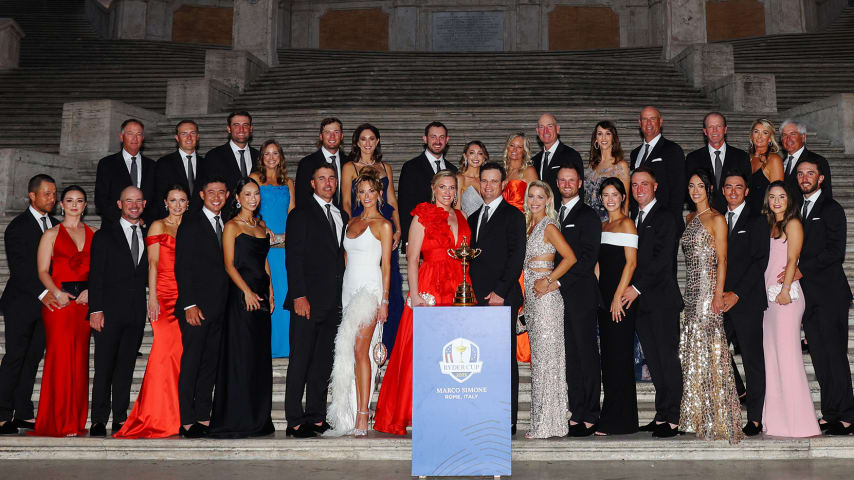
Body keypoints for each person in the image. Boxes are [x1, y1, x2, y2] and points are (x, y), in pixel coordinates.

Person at [374, 170, 470, 435]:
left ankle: (446, 408)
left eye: (452, 188)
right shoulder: (421, 215)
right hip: (429, 287)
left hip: (457, 288)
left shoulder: (461, 216)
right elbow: (413, 258)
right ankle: (416, 411)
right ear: (433, 188)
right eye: (443, 187)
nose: (448, 192)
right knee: (421, 351)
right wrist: (415, 295)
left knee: (451, 352)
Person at [114, 185, 188, 438]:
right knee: (162, 355)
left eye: (182, 200)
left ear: (188, 203)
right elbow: (153, 263)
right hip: (165, 298)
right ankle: (155, 415)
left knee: (179, 356)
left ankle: (177, 413)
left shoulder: (190, 226)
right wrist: (153, 297)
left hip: (187, 298)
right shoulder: (158, 226)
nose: (177, 205)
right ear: (165, 202)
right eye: (173, 200)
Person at [534, 164, 602, 436]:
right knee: (570, 356)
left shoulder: (588, 216)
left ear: (580, 183)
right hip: (556, 298)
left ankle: (591, 413)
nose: (566, 184)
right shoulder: (553, 215)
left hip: (580, 294)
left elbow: (587, 258)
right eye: (561, 180)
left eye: (571, 180)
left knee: (586, 354)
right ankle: (575, 409)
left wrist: (556, 282)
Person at [325, 173, 393, 437]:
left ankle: (363, 413)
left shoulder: (383, 225)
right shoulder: (349, 222)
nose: (366, 196)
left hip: (370, 293)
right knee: (349, 352)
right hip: (348, 291)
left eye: (371, 191)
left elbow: (386, 266)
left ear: (378, 194)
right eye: (362, 192)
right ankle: (348, 411)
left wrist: (384, 300)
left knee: (360, 350)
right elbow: (346, 259)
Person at [678, 169, 743, 443]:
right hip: (691, 292)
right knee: (695, 353)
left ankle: (718, 417)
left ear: (709, 189)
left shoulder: (717, 219)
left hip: (708, 291)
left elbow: (723, 260)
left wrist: (718, 294)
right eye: (691, 186)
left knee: (712, 352)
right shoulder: (689, 217)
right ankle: (698, 414)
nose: (695, 191)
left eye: (700, 186)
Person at [284, 164, 348, 438]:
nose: (328, 182)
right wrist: (299, 294)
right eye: (321, 178)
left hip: (333, 301)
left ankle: (316, 416)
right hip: (306, 300)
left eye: (332, 178)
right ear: (312, 183)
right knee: (300, 361)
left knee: (323, 362)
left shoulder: (341, 215)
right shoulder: (300, 214)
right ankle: (294, 420)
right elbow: (293, 257)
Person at [620, 166, 683, 438]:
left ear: (655, 186)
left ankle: (674, 417)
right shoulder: (634, 216)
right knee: (654, 362)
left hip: (662, 301)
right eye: (634, 185)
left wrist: (635, 288)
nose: (639, 189)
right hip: (643, 304)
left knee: (667, 359)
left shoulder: (666, 216)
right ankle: (661, 413)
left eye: (644, 184)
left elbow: (660, 261)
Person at [209, 178, 275, 438]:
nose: (252, 198)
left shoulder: (261, 225)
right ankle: (238, 418)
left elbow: (264, 260)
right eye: (247, 194)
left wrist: (270, 291)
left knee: (259, 358)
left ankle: (258, 418)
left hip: (260, 295)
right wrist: (246, 292)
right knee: (241, 357)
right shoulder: (231, 226)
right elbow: (229, 265)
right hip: (241, 298)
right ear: (237, 197)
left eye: (256, 193)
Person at [793, 160, 853, 435]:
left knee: (835, 356)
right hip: (809, 299)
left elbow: (835, 252)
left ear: (821, 179)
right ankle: (830, 413)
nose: (805, 178)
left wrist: (800, 269)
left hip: (831, 295)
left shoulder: (831, 209)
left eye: (811, 174)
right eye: (801, 173)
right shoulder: (798, 210)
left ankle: (847, 416)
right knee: (819, 357)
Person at [29, 186, 93, 437]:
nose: (74, 204)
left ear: (85, 205)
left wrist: (93, 293)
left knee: (80, 361)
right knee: (60, 359)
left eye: (79, 201)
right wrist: (56, 293)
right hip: (59, 305)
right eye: (69, 200)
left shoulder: (95, 234)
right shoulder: (51, 234)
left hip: (84, 306)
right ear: (61, 205)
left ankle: (75, 420)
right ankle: (58, 421)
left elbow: (102, 272)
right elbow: (43, 271)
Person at [467, 162, 526, 435]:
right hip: (478, 300)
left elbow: (516, 257)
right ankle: (485, 413)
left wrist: (500, 292)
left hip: (502, 298)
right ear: (479, 184)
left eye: (494, 181)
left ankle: (508, 420)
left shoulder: (513, 215)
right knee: (482, 359)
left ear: (503, 184)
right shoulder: (473, 217)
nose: (489, 186)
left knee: (504, 359)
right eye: (485, 181)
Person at [761, 181, 820, 437]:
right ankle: (776, 423)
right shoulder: (769, 224)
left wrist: (785, 290)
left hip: (787, 297)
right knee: (772, 361)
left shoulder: (793, 223)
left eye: (781, 196)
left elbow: (792, 259)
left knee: (788, 360)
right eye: (772, 196)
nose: (776, 201)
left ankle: (800, 424)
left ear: (789, 199)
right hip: (768, 299)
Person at [88, 186, 148, 436]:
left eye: (138, 201)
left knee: (125, 367)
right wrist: (96, 309)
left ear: (144, 204)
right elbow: (96, 275)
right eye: (128, 201)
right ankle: (99, 419)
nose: (133, 205)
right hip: (108, 312)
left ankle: (120, 418)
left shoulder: (148, 233)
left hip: (135, 313)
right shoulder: (104, 235)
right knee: (104, 367)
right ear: (119, 204)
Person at [339, 124, 404, 355]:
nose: (367, 143)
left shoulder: (385, 167)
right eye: (363, 139)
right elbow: (346, 201)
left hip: (384, 227)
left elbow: (393, 200)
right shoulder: (349, 167)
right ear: (357, 142)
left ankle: (388, 345)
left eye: (372, 139)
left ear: (377, 141)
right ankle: (363, 343)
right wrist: (350, 226)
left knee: (391, 282)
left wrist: (397, 229)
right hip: (360, 228)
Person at [174, 177, 232, 438]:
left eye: (221, 192)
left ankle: (203, 415)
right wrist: (189, 303)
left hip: (221, 306)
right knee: (192, 363)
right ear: (201, 194)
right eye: (211, 192)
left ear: (228, 194)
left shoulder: (228, 223)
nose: (216, 196)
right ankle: (186, 419)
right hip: (195, 307)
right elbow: (183, 265)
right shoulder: (191, 222)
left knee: (210, 364)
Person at [0, 174, 58, 435]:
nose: (52, 198)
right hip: (22, 303)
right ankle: (2, 414)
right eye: (47, 193)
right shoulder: (17, 227)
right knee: (15, 358)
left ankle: (23, 411)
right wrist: (42, 292)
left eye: (54, 194)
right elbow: (21, 268)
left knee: (33, 358)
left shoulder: (56, 225)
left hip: (46, 306)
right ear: (32, 196)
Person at [522, 180, 577, 438]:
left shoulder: (549, 225)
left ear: (547, 200)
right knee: (541, 362)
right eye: (531, 196)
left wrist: (551, 281)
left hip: (547, 302)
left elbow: (570, 257)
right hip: (534, 300)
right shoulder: (528, 226)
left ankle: (547, 424)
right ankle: (546, 422)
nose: (534, 201)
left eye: (540, 197)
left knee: (548, 362)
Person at [719, 171, 770, 437]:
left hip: (747, 300)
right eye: (729, 187)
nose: (734, 191)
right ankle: (739, 389)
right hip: (720, 298)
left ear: (747, 191)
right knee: (715, 349)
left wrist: (736, 294)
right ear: (723, 190)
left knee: (752, 359)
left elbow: (759, 261)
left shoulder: (757, 220)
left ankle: (756, 418)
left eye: (739, 187)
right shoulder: (718, 219)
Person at [594, 178, 639, 435]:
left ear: (622, 197)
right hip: (605, 299)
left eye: (615, 194)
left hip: (620, 301)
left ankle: (619, 421)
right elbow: (599, 264)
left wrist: (616, 296)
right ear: (601, 198)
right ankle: (619, 418)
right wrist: (598, 295)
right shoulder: (602, 225)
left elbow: (631, 264)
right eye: (606, 194)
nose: (610, 198)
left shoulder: (627, 224)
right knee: (609, 359)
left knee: (620, 358)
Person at [250, 139, 295, 358]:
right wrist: (262, 226)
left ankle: (284, 346)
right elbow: (248, 209)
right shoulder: (254, 179)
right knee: (268, 292)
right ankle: (264, 346)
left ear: (281, 157)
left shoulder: (288, 182)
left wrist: (291, 236)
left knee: (284, 291)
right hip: (262, 244)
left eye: (275, 153)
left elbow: (292, 213)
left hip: (285, 246)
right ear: (261, 157)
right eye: (267, 154)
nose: (271, 157)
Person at [397, 121, 458, 253]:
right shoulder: (411, 167)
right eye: (433, 137)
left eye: (441, 137)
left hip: (447, 241)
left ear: (447, 140)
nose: (437, 141)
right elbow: (404, 205)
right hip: (421, 238)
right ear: (425, 139)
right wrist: (408, 240)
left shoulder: (453, 169)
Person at [628, 106, 686, 230]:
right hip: (639, 223)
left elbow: (678, 190)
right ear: (640, 123)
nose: (648, 123)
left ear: (660, 122)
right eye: (645, 119)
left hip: (663, 223)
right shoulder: (635, 153)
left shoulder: (672, 150)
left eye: (653, 119)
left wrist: (671, 224)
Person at [94, 118, 156, 226]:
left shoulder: (152, 166)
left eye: (138, 134)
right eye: (130, 133)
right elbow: (101, 199)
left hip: (145, 228)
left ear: (143, 138)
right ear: (121, 137)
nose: (134, 138)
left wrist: (145, 221)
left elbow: (156, 200)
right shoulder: (107, 164)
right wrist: (123, 220)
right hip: (114, 227)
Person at [685, 112, 751, 214]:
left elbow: (747, 189)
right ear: (705, 131)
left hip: (734, 215)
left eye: (718, 126)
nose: (715, 130)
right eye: (710, 126)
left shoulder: (741, 157)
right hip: (704, 216)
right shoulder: (693, 158)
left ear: (725, 129)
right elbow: (689, 190)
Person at [531, 114, 584, 209]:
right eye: (542, 127)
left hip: (563, 216)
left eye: (550, 126)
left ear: (558, 129)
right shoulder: (534, 161)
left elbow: (579, 191)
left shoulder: (571, 155)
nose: (545, 131)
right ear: (537, 131)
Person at [155, 120, 203, 218]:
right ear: (177, 138)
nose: (189, 137)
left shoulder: (206, 163)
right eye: (184, 134)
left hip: (200, 221)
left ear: (197, 137)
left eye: (192, 133)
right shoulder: (164, 163)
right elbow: (159, 196)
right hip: (173, 220)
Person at [584, 121, 630, 221]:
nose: (604, 138)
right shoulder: (592, 166)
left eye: (608, 134)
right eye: (600, 134)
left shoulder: (621, 165)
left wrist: (623, 226)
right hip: (590, 220)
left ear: (613, 138)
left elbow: (625, 201)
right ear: (596, 138)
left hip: (610, 221)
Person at [203, 111, 259, 192]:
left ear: (251, 129)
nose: (241, 129)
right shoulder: (214, 156)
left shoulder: (259, 156)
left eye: (245, 125)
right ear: (229, 129)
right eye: (236, 125)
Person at [295, 117, 344, 208]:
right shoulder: (306, 163)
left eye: (336, 132)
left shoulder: (349, 162)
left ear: (341, 136)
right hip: (315, 219)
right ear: (321, 136)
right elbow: (301, 199)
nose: (332, 136)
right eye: (327, 132)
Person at [781, 119, 832, 203]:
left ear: (803, 137)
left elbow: (826, 194)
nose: (788, 139)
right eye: (784, 135)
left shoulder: (818, 160)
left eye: (793, 134)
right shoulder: (780, 163)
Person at [745, 119, 784, 215]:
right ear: (751, 135)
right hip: (746, 214)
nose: (759, 136)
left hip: (765, 215)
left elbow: (778, 194)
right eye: (756, 131)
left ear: (770, 138)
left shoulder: (774, 160)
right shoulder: (745, 159)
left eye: (765, 132)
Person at [501, 132, 538, 212]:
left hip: (521, 219)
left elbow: (536, 200)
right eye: (512, 145)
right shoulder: (502, 172)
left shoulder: (529, 171)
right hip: (502, 219)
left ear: (524, 151)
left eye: (519, 147)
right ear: (507, 147)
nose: (515, 150)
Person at [456, 140, 488, 217]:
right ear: (465, 156)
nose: (476, 157)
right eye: (472, 153)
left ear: (484, 157)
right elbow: (457, 211)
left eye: (480, 153)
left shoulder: (487, 179)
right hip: (468, 225)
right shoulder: (460, 179)